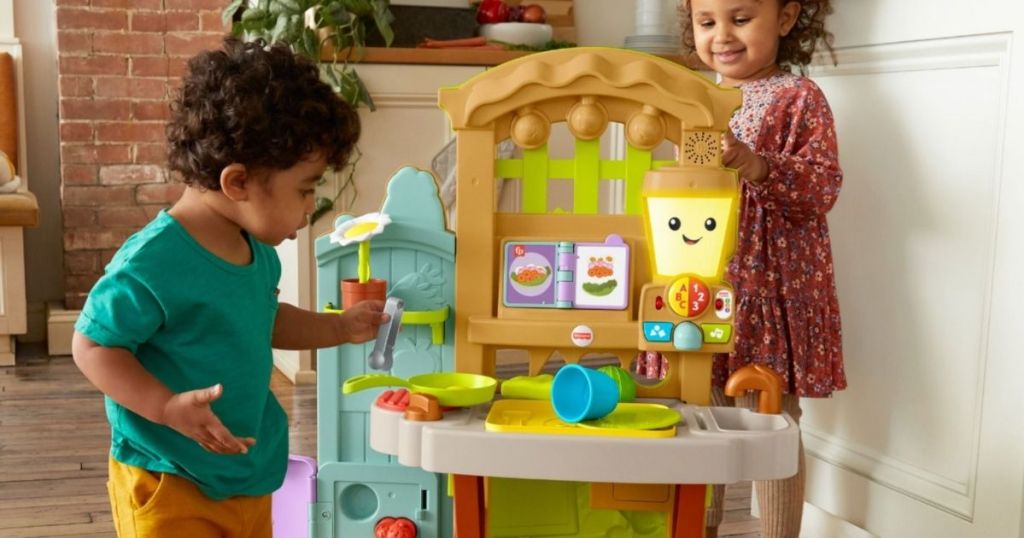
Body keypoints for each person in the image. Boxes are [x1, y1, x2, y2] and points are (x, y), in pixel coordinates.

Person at [72, 37, 387, 537]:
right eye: (305, 189)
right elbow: (92, 344)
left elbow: (259, 317)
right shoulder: (154, 261)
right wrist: (167, 408)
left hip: (243, 472)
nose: (311, 207)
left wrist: (338, 328)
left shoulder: (254, 248)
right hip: (169, 476)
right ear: (237, 182)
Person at [679, 0, 846, 536]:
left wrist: (756, 163)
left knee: (769, 418)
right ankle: (699, 526)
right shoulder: (694, 100)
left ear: (787, 17)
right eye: (707, 23)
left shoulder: (799, 98)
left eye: (741, 18)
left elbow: (821, 187)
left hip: (771, 286)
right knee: (696, 417)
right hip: (704, 282)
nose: (722, 36)